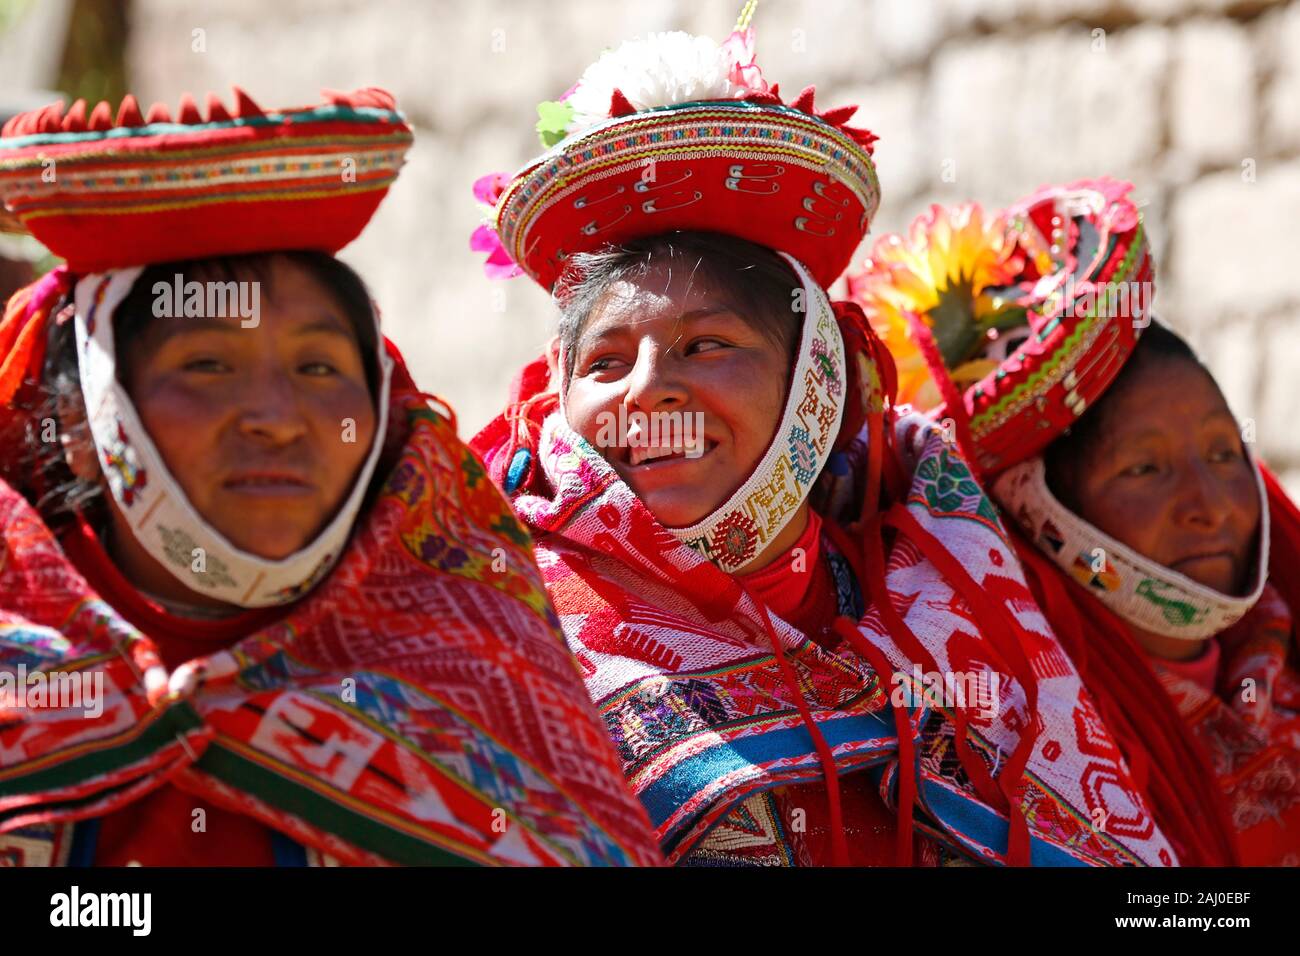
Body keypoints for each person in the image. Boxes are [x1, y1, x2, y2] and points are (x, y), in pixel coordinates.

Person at [469, 15, 1172, 866]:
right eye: (606, 361)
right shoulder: (510, 633)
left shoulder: (935, 597)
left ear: (814, 378)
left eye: (705, 345)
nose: (648, 388)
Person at [0, 87, 661, 867]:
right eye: (206, 365)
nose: (279, 418)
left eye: (319, 367)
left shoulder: (480, 686)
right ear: (83, 427)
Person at [849, 176, 1300, 866]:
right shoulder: (1030, 751)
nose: (1210, 503)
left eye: (1222, 451)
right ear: (1039, 510)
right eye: (1144, 470)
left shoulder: (1285, 662)